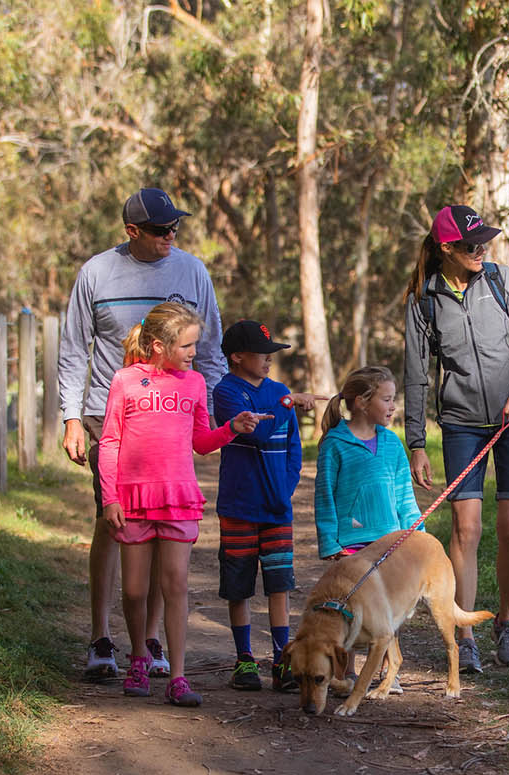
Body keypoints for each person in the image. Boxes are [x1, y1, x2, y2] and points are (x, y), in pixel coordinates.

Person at [59, 188, 224, 681]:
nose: (170, 235)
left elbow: (209, 349)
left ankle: (148, 640)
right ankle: (100, 637)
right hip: (109, 412)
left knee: (158, 524)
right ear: (132, 231)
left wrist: (215, 414)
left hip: (171, 416)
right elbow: (74, 348)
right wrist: (71, 417)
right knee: (112, 520)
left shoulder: (192, 271)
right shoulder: (97, 272)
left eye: (175, 227)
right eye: (159, 230)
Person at [98, 302, 265, 706]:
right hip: (134, 500)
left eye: (195, 345)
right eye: (187, 346)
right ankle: (139, 656)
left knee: (175, 585)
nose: (194, 353)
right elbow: (110, 441)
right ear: (159, 346)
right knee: (134, 590)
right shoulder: (125, 381)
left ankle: (177, 675)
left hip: (178, 499)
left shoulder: (193, 384)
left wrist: (231, 428)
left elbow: (201, 442)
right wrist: (109, 498)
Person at [403, 205, 509, 672]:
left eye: (484, 240)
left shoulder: (502, 281)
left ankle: (506, 620)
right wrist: (416, 442)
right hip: (462, 423)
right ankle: (465, 635)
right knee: (466, 529)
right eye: (471, 244)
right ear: (446, 248)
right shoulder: (424, 300)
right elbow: (416, 375)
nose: (481, 249)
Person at [211, 320, 318, 692]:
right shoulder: (227, 392)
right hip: (239, 506)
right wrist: (287, 404)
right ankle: (244, 660)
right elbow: (256, 432)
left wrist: (285, 488)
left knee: (279, 585)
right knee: (238, 586)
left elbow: (292, 449)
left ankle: (280, 660)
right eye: (262, 354)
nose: (270, 360)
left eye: (272, 353)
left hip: (276, 509)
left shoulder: (278, 390)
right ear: (237, 357)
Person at [314, 365, 423, 688]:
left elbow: (404, 494)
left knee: (387, 609)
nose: (393, 406)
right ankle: (344, 673)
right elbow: (324, 496)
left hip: (390, 542)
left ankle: (389, 670)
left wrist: (417, 535)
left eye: (393, 399)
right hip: (351, 545)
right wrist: (329, 542)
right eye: (386, 400)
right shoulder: (335, 444)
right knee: (349, 609)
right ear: (362, 402)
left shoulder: (392, 443)